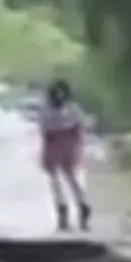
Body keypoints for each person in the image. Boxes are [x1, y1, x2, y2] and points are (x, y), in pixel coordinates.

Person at [37, 77, 91, 232]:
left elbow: (43, 128)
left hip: (54, 142)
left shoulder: (46, 109)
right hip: (69, 141)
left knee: (55, 178)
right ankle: (82, 204)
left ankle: (62, 208)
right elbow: (82, 124)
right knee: (70, 176)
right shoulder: (72, 107)